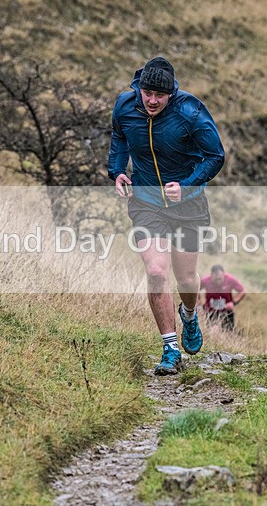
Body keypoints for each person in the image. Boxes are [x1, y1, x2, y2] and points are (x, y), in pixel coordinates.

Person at [107, 56, 225, 375]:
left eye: (160, 95)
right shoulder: (125, 106)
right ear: (139, 88)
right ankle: (170, 349)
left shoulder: (191, 111)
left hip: (188, 205)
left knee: (186, 277)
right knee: (157, 270)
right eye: (147, 93)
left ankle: (189, 314)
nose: (152, 101)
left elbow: (216, 156)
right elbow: (119, 136)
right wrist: (117, 170)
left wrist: (186, 187)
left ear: (171, 92)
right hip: (146, 202)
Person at [199, 264, 246, 331]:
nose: (218, 281)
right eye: (216, 279)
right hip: (210, 311)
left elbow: (242, 291)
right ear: (211, 275)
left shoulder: (230, 279)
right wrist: (199, 306)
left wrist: (233, 303)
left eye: (220, 279)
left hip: (226, 311)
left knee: (229, 333)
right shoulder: (205, 281)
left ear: (224, 274)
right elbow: (195, 291)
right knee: (211, 332)